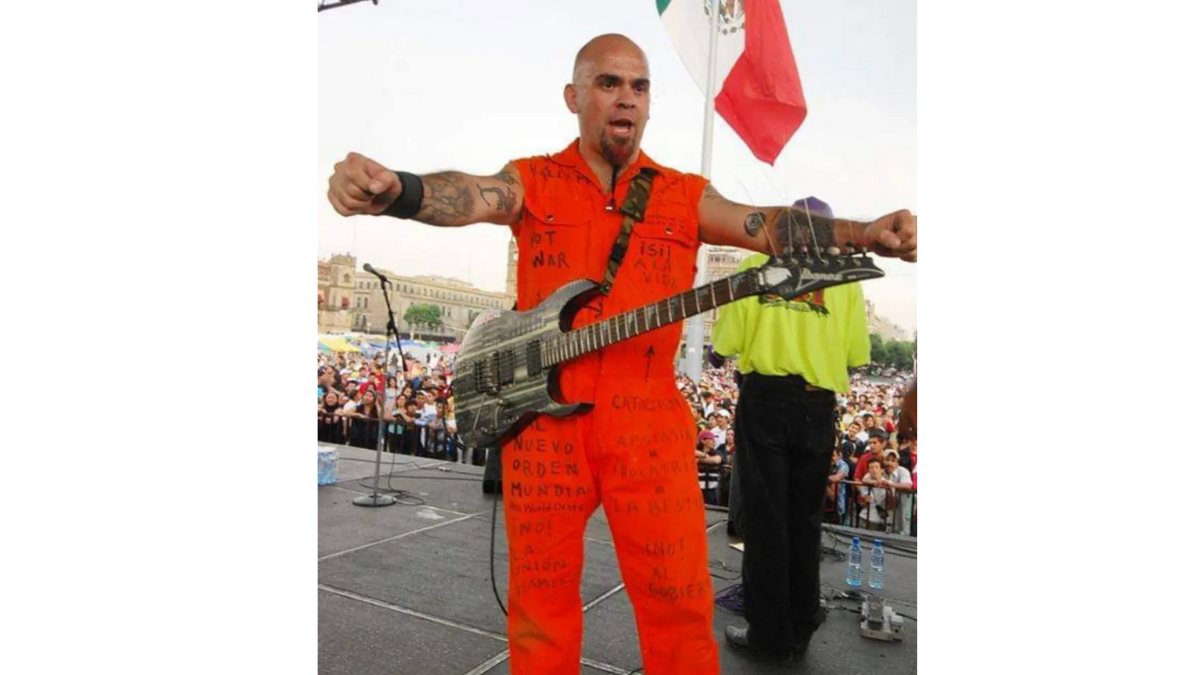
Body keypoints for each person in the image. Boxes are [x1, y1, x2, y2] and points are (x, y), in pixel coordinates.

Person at [326, 34, 916, 675]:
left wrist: (862, 232)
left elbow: (766, 223)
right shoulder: (534, 179)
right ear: (573, 97)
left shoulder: (683, 193)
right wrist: (398, 190)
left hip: (648, 423)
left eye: (639, 86)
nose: (626, 98)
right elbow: (471, 194)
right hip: (543, 430)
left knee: (679, 604)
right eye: (609, 83)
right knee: (540, 607)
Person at [710, 195, 876, 663]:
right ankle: (801, 623)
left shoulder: (755, 265)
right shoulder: (846, 278)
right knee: (805, 520)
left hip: (766, 401)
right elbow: (855, 355)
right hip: (817, 406)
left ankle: (769, 636)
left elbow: (727, 343)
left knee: (766, 522)